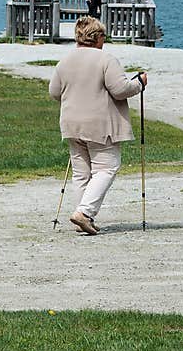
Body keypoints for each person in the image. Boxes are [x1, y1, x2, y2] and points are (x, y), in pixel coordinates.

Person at [49, 16, 147, 235]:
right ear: (96, 38)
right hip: (100, 125)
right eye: (103, 35)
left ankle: (82, 216)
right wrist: (139, 83)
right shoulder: (105, 59)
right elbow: (120, 89)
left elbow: (54, 92)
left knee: (81, 173)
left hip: (71, 124)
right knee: (106, 168)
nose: (105, 39)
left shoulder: (64, 61)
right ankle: (84, 213)